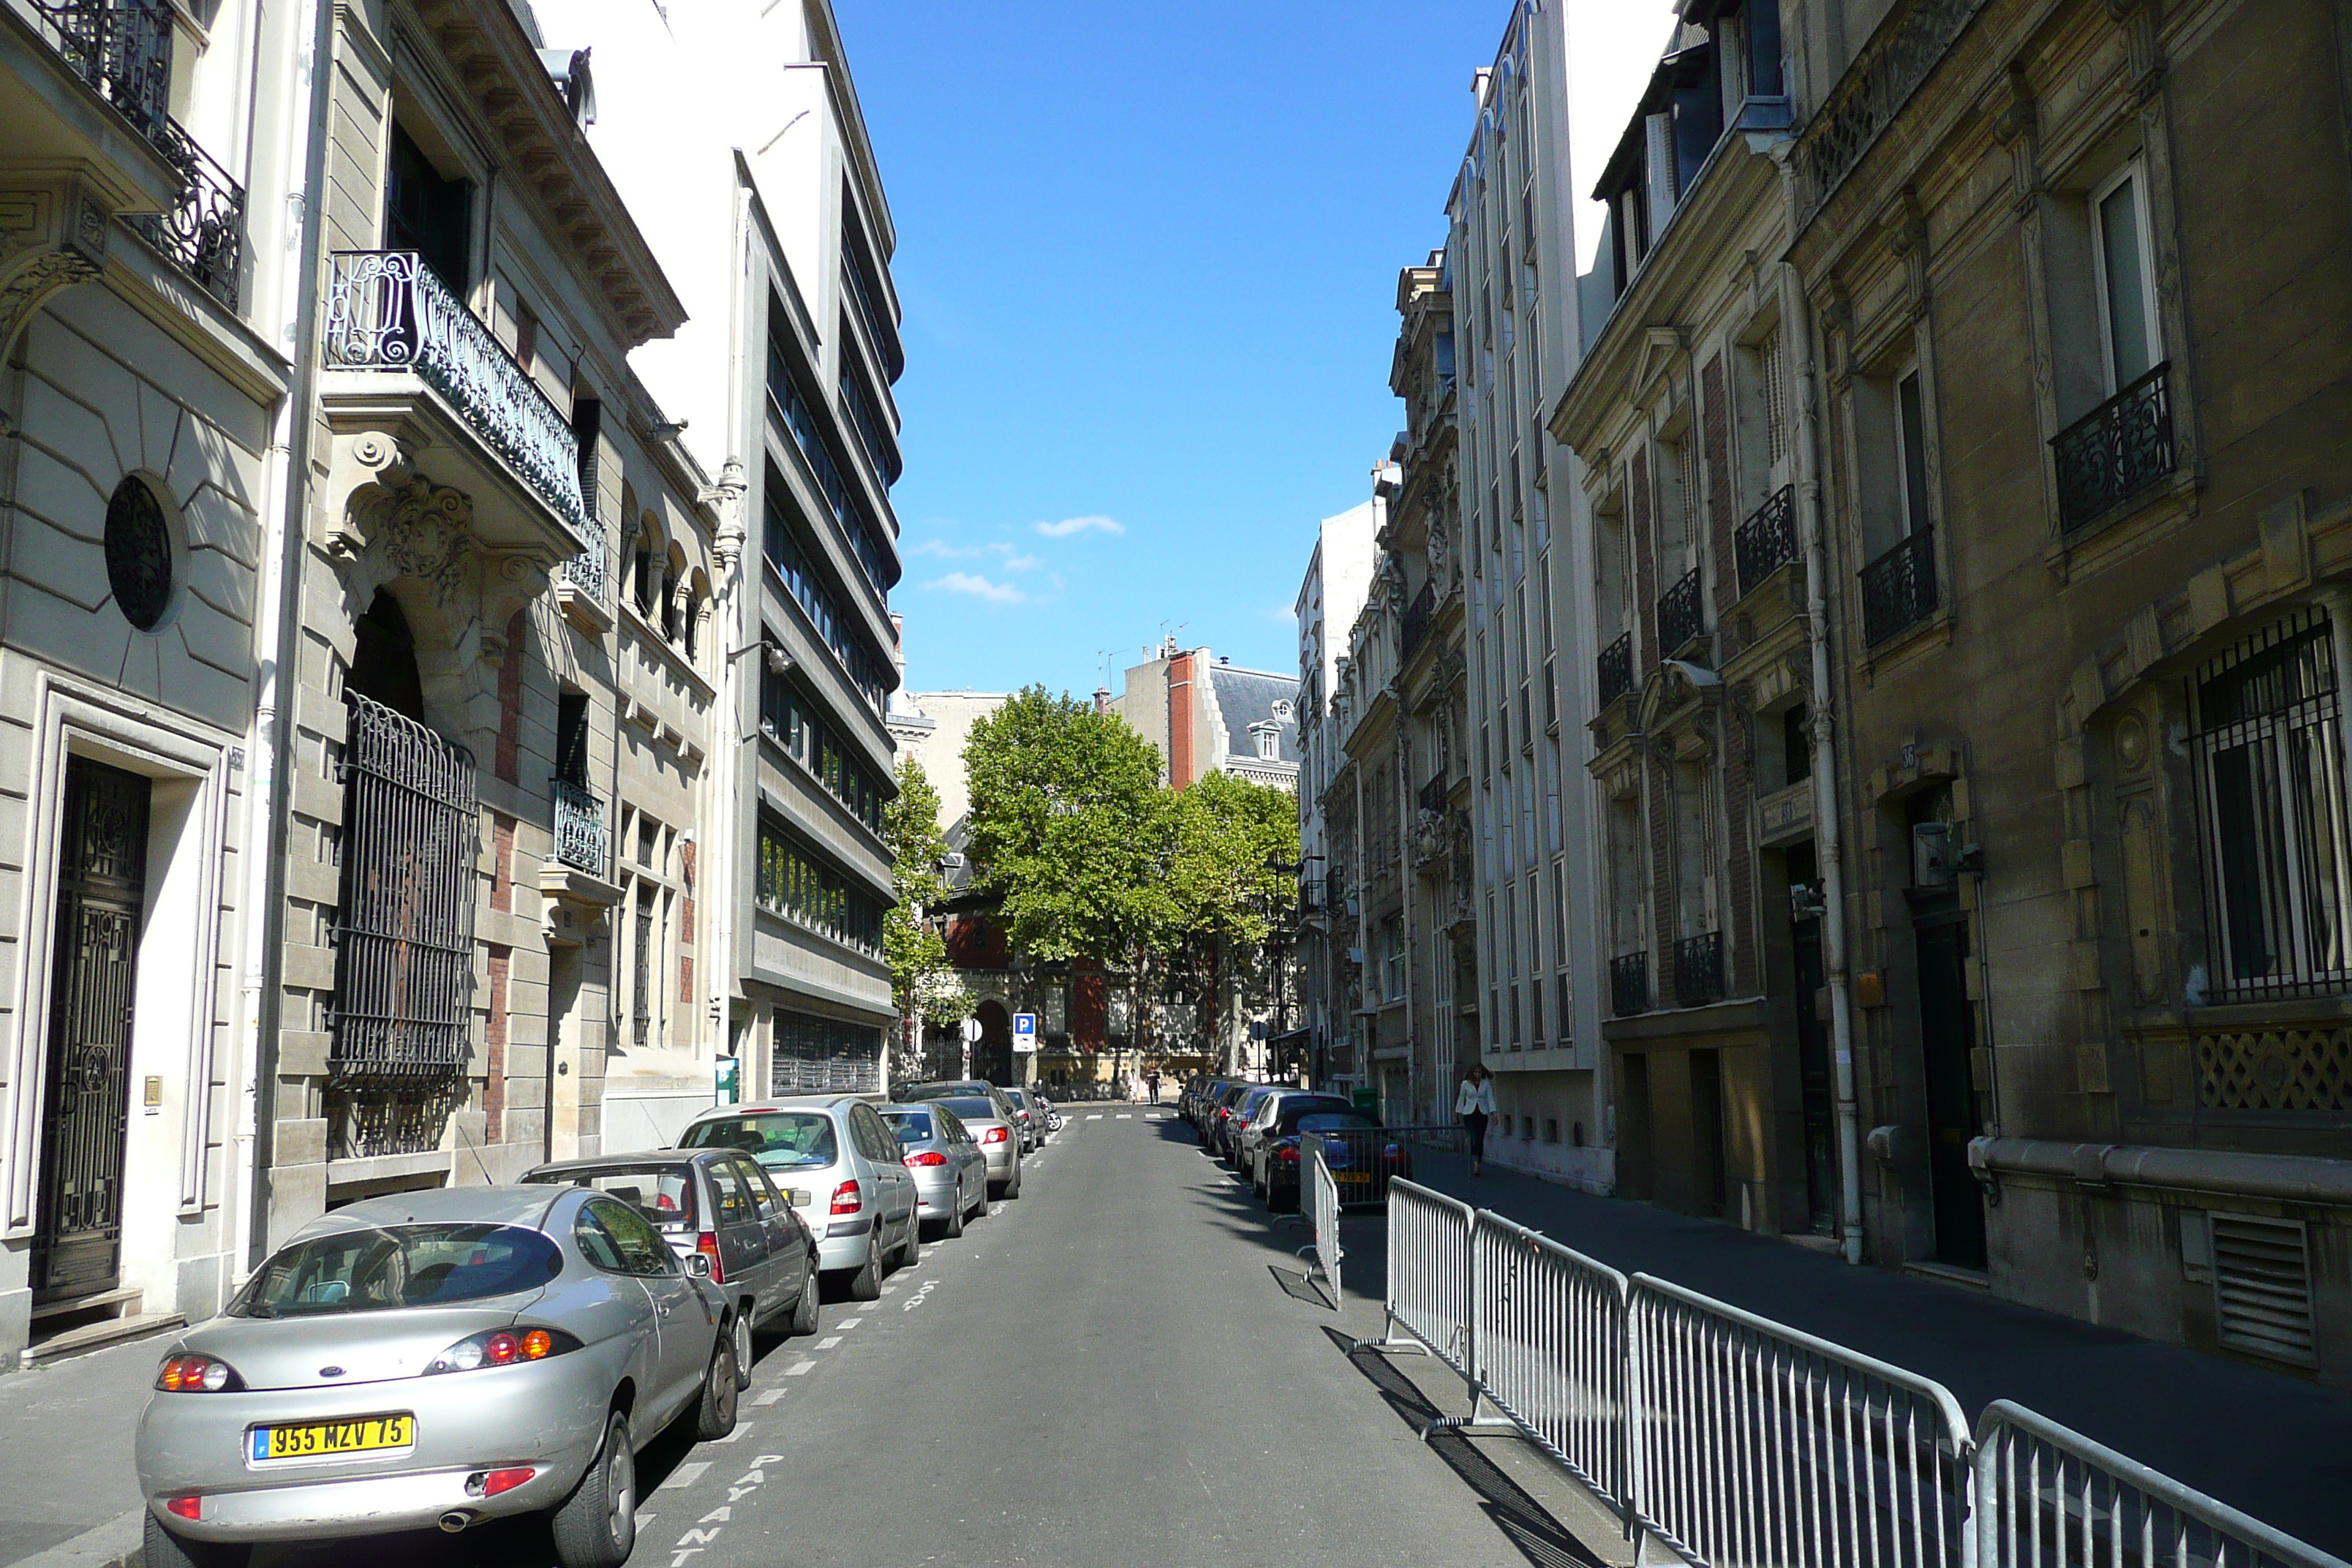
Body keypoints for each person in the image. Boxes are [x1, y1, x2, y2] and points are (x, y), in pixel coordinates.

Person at [1455, 1063, 1496, 1177]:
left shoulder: (1486, 1084)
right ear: (1472, 1073)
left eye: (1479, 1072)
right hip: (1469, 1114)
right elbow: (1461, 1098)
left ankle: (1478, 1158)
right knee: (1473, 1137)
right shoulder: (1466, 1084)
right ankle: (1475, 1165)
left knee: (1480, 1138)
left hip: (1482, 1114)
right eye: (1476, 1072)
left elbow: (1490, 1099)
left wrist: (1494, 1114)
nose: (1477, 1075)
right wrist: (1457, 1114)